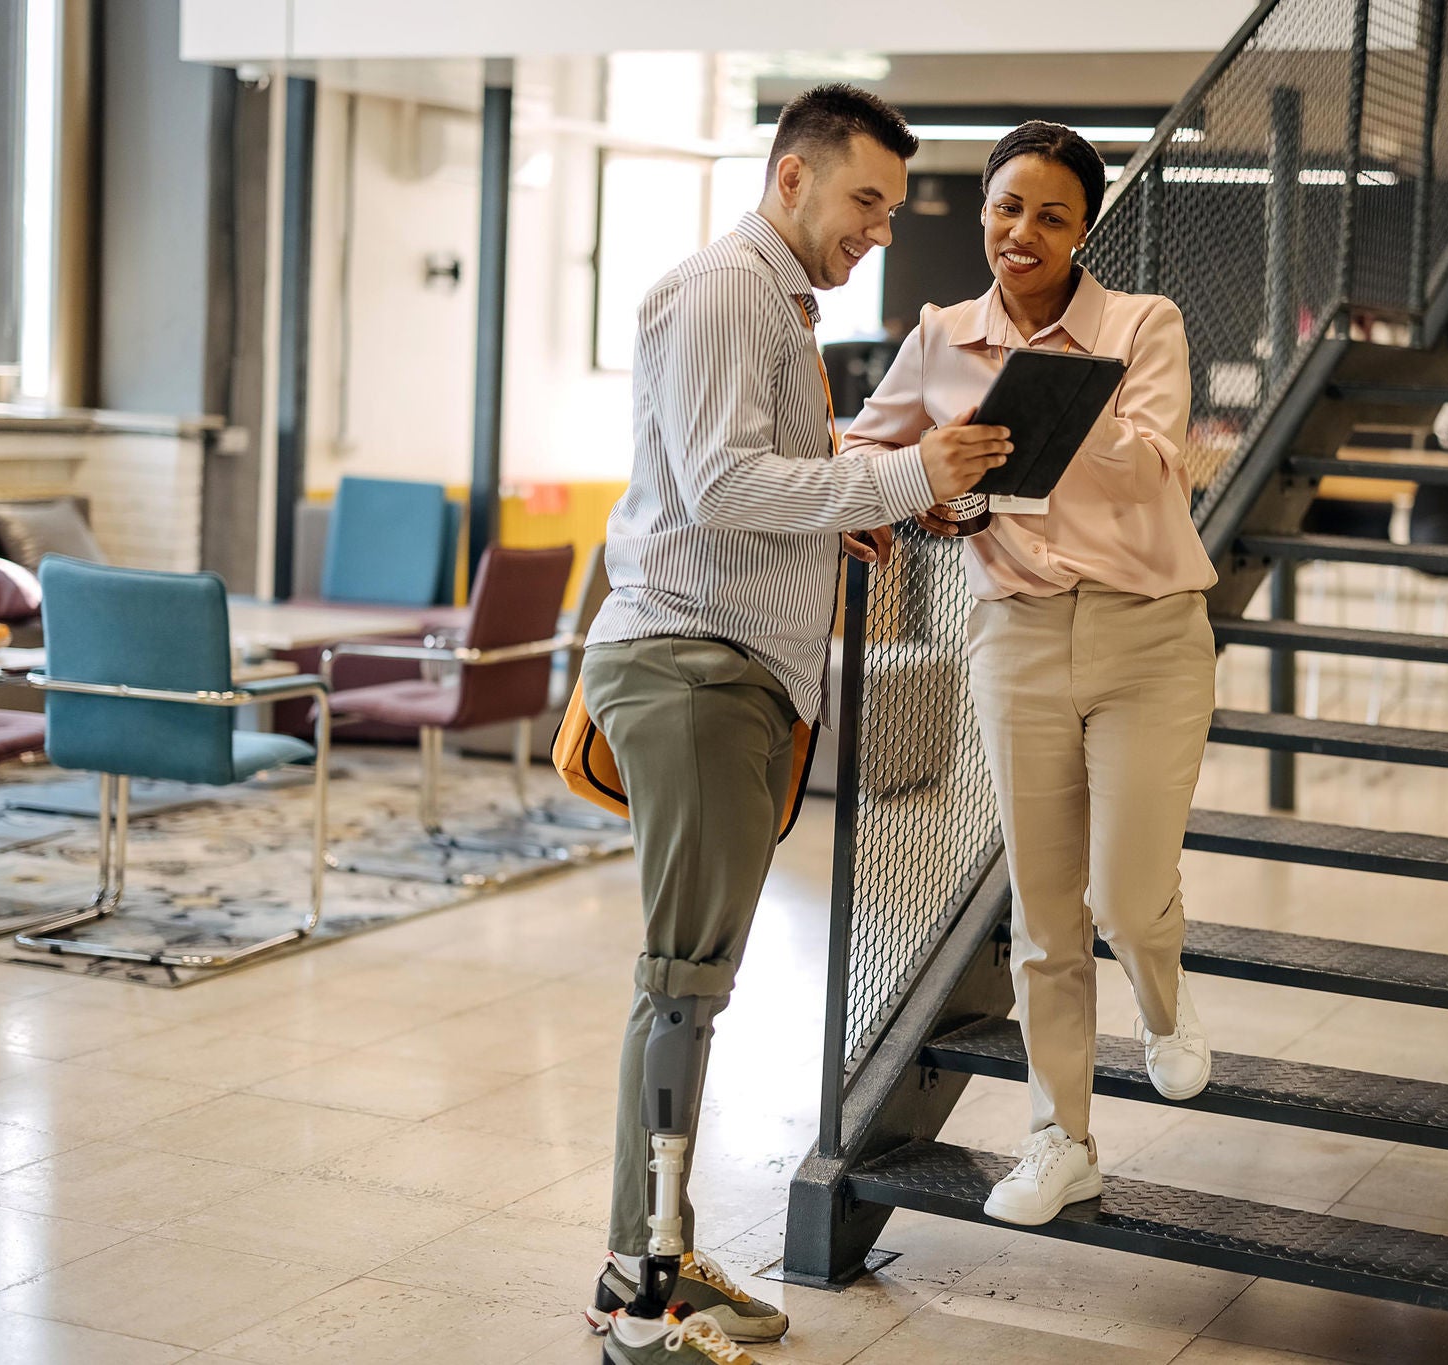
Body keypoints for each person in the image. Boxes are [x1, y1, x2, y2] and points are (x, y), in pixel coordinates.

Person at [579, 85, 1012, 1363]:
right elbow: (712, 481)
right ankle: (637, 1297)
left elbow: (741, 471)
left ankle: (655, 1253)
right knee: (679, 988)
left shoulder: (770, 303)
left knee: (689, 990)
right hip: (693, 669)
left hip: (734, 673)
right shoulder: (723, 289)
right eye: (865, 200)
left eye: (889, 205)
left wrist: (852, 506)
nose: (880, 227)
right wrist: (892, 473)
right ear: (791, 181)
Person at [841, 120, 1216, 1228]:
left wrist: (1048, 396)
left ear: (1082, 228)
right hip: (1012, 636)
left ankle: (1162, 1000)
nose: (1021, 231)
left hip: (1148, 635)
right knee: (1047, 919)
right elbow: (865, 449)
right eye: (1007, 207)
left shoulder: (1141, 325)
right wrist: (915, 486)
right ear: (984, 212)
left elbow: (1154, 460)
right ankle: (1061, 1139)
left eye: (1050, 214)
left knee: (1123, 896)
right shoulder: (940, 334)